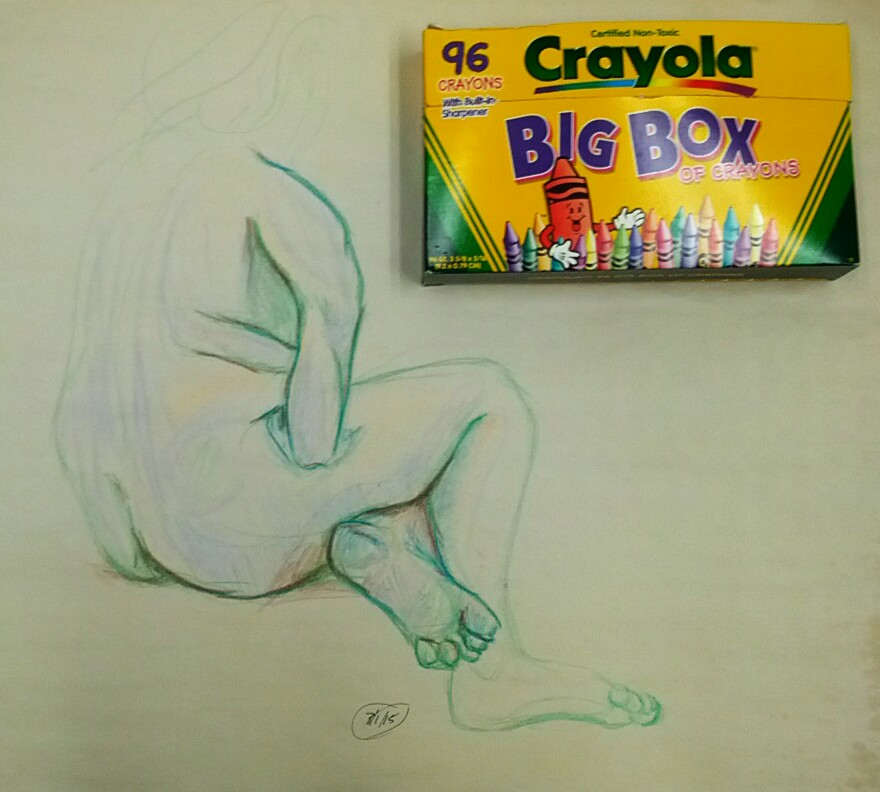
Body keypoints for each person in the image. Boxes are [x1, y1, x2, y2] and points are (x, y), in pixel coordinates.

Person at [55, 139, 660, 731]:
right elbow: (313, 446)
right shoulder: (278, 199)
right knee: (487, 397)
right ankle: (493, 674)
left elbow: (83, 418)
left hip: (159, 535)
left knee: (367, 462)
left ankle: (377, 541)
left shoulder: (126, 213)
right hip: (253, 515)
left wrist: (137, 550)